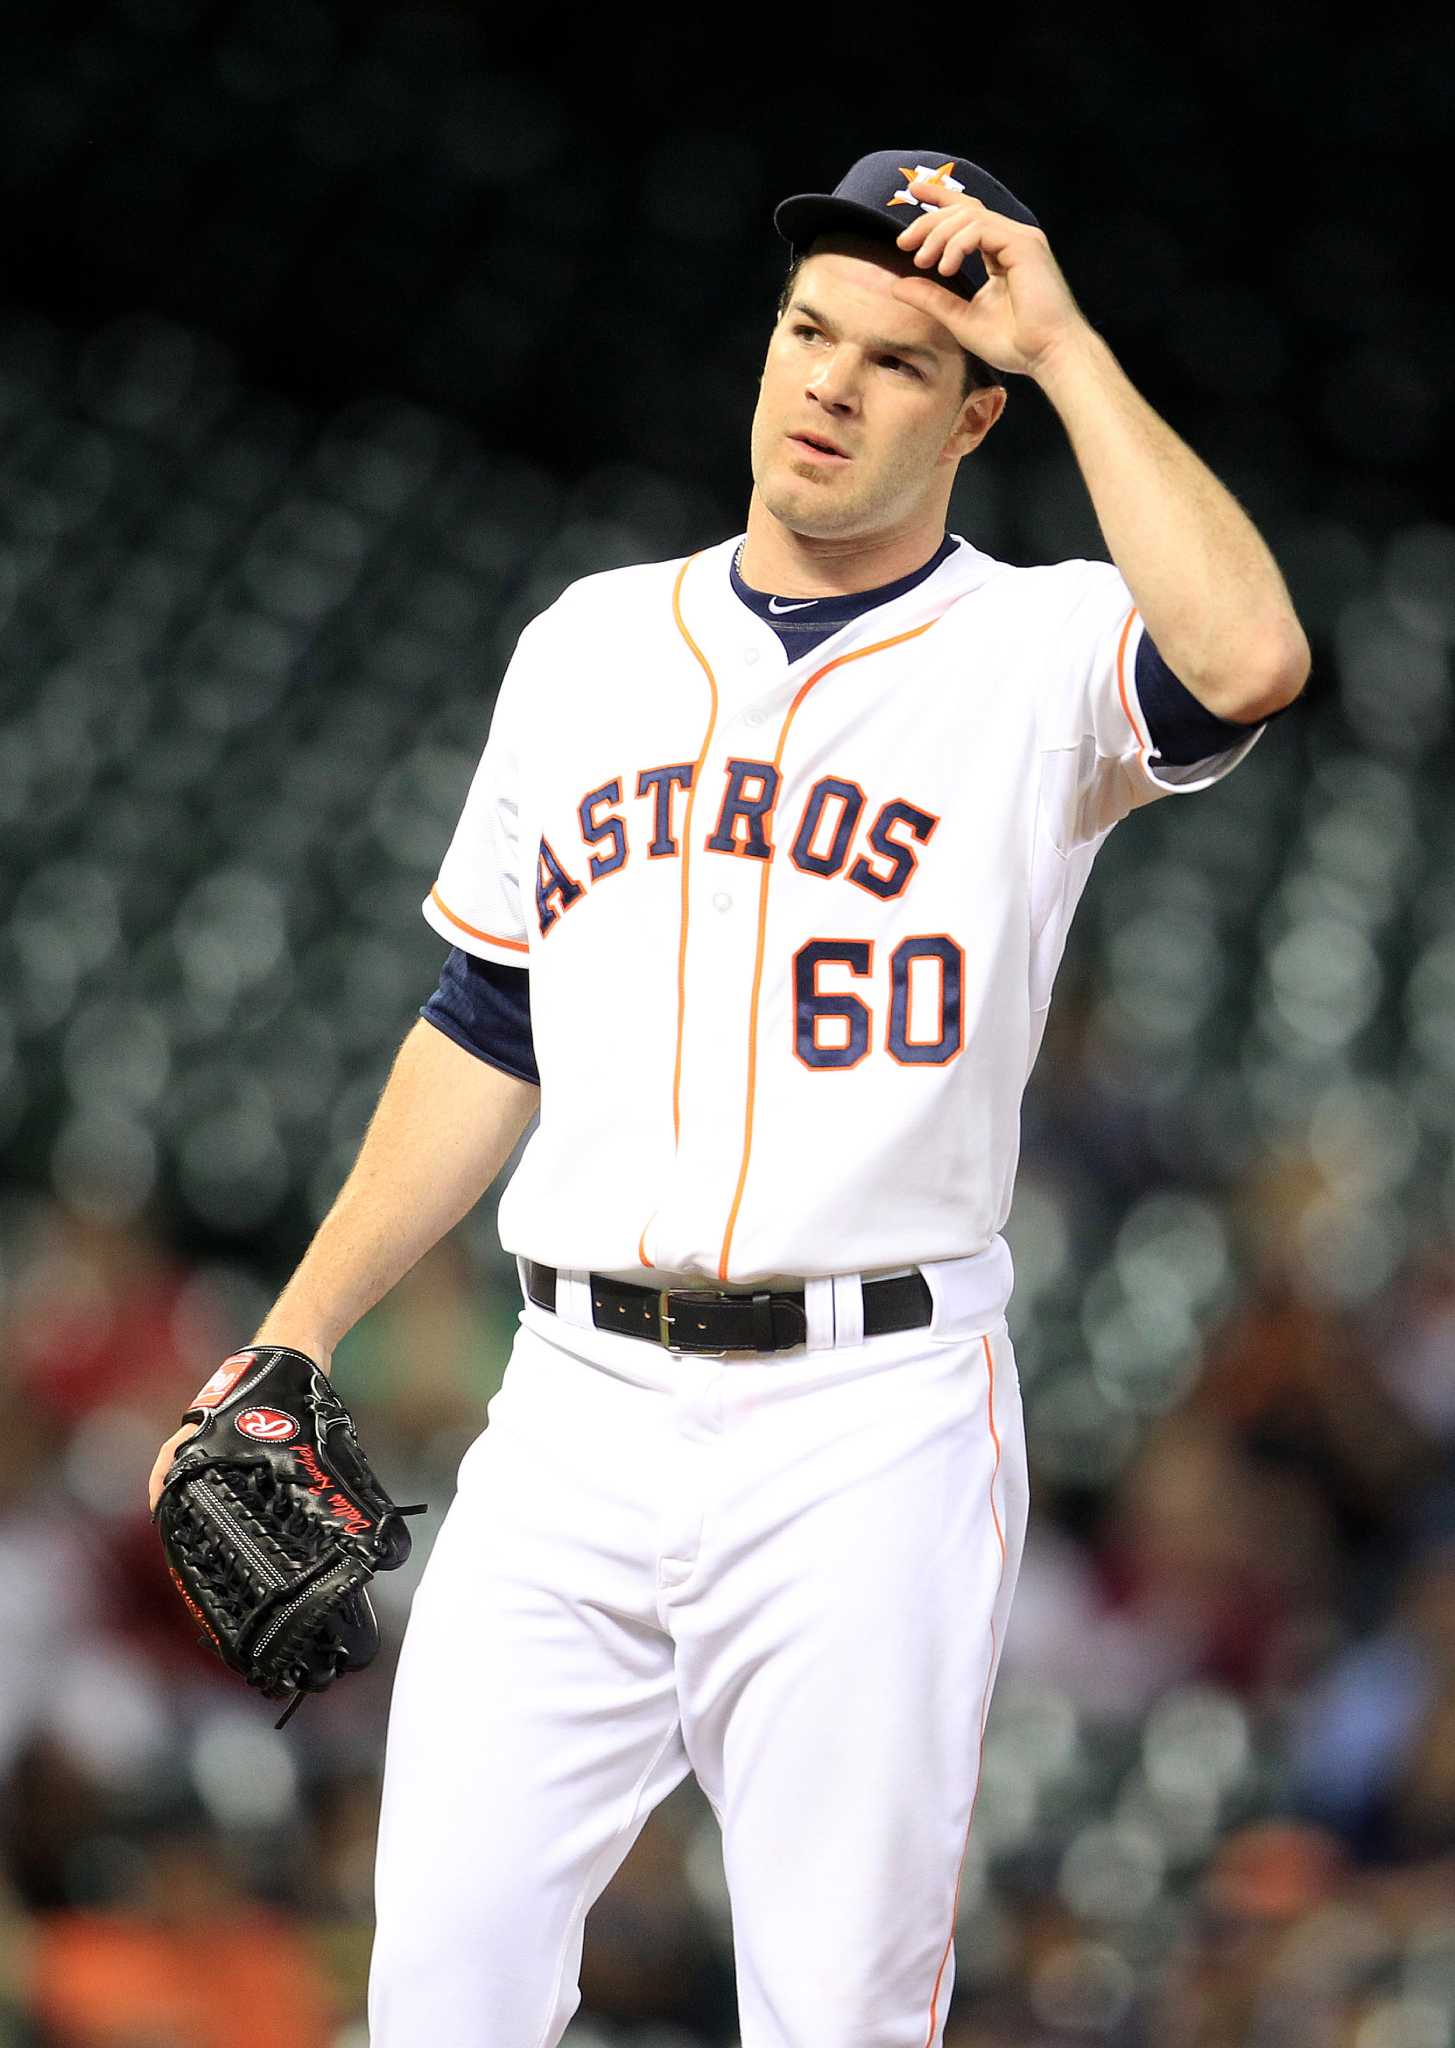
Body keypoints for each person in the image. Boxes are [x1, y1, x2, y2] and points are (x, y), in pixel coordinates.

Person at [148, 147, 1308, 2045]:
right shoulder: (590, 643)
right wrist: (293, 1331)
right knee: (438, 1993)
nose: (828, 384)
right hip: (574, 1410)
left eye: (897, 361)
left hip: (871, 1423)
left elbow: (1250, 659)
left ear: (976, 413)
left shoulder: (1035, 649)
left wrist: (1073, 343)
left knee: (837, 2017)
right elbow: (483, 1024)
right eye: (805, 333)